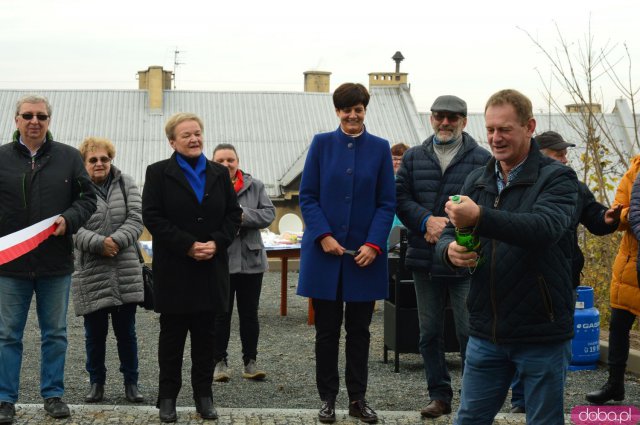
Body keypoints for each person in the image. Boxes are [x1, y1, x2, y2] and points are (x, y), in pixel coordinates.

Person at [436, 89, 578, 425]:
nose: (495, 138)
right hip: (487, 331)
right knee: (469, 418)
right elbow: (447, 230)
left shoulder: (557, 178)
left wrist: (480, 217)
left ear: (529, 126)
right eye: (490, 130)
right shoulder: (479, 178)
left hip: (540, 331)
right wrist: (449, 250)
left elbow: (545, 228)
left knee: (543, 420)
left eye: (505, 129)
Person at [298, 82, 395, 424]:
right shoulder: (322, 145)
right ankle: (327, 399)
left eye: (359, 109)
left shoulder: (380, 148)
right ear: (337, 111)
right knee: (326, 333)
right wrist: (322, 235)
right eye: (346, 109)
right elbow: (307, 196)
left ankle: (358, 399)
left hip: (364, 258)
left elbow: (386, 203)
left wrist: (373, 244)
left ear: (365, 110)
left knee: (360, 333)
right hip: (325, 257)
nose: (353, 115)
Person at [507, 130, 620, 413]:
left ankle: (546, 402)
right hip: (520, 277)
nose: (565, 159)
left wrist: (607, 218)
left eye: (565, 154)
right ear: (539, 154)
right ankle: (521, 401)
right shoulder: (520, 182)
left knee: (558, 347)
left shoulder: (572, 184)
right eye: (558, 154)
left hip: (562, 279)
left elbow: (593, 216)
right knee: (523, 341)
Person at [0, 94, 97, 422]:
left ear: (48, 121)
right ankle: (4, 399)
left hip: (55, 263)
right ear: (16, 120)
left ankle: (53, 395)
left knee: (55, 333)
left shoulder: (69, 157)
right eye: (27, 115)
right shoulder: (0, 158)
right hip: (10, 264)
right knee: (7, 334)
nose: (34, 121)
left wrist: (70, 218)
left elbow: (88, 199)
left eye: (41, 116)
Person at [142, 113, 242, 422]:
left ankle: (204, 396)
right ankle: (168, 398)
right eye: (186, 135)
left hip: (211, 269)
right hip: (175, 270)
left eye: (197, 133)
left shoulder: (219, 173)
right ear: (172, 141)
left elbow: (233, 215)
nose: (194, 139)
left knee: (206, 339)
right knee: (171, 340)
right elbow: (153, 217)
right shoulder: (158, 173)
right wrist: (187, 244)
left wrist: (216, 241)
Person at [395, 95, 491, 419]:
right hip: (425, 258)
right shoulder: (413, 157)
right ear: (431, 118)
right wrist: (425, 220)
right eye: (439, 116)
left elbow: (488, 204)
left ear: (464, 121)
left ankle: (470, 397)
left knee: (469, 332)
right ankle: (439, 395)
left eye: (452, 117)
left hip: (465, 258)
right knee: (430, 332)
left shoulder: (482, 158)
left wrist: (452, 226)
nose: (445, 122)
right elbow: (399, 197)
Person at [71, 137, 146, 404]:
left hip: (124, 268)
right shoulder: (73, 188)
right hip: (92, 271)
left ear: (111, 159)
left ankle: (131, 383)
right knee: (95, 335)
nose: (99, 163)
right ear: (84, 163)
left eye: (104, 158)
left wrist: (115, 241)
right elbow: (71, 227)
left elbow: (137, 219)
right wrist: (99, 244)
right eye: (93, 159)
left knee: (127, 333)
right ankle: (96, 383)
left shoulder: (127, 183)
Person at [211, 143, 276, 382]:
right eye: (220, 160)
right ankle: (219, 362)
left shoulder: (255, 185)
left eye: (230, 160)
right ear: (212, 162)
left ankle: (250, 362)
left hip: (251, 260)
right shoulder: (206, 186)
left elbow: (269, 214)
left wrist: (242, 215)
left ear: (237, 161)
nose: (226, 164)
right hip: (221, 260)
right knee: (221, 314)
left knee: (250, 314)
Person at [586, 156, 640, 404]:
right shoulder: (634, 172)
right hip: (629, 265)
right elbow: (617, 217)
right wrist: (631, 213)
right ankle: (614, 385)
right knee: (619, 326)